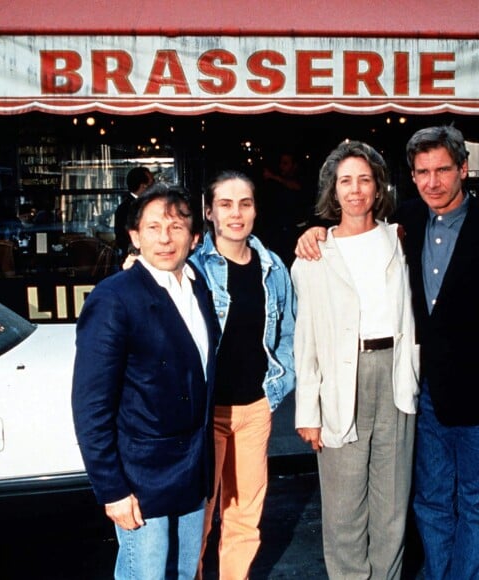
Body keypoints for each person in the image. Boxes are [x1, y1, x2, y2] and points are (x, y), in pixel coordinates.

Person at [295, 125, 479, 579]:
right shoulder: (405, 227)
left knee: (474, 503)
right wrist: (313, 233)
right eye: (422, 172)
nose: (433, 181)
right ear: (411, 178)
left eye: (443, 170)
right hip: (420, 391)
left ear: (464, 170)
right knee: (428, 502)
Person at [72, 184, 219, 579]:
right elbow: (91, 406)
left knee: (187, 572)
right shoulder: (113, 298)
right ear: (135, 237)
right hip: (140, 479)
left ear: (195, 234)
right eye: (153, 228)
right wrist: (112, 489)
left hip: (192, 473)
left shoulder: (197, 285)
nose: (165, 238)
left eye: (175, 226)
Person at [291, 140, 420, 579]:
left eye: (365, 179)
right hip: (341, 384)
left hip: (396, 379)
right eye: (346, 180)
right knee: (344, 512)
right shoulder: (314, 255)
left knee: (392, 509)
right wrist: (308, 411)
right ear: (334, 189)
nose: (356, 189)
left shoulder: (400, 239)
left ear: (378, 186)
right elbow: (304, 339)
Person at [191, 170, 296, 579]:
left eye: (245, 204)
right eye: (226, 204)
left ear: (255, 210)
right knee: (197, 518)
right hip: (205, 414)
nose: (236, 214)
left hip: (254, 410)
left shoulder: (272, 267)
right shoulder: (192, 267)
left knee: (243, 518)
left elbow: (289, 331)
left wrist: (276, 390)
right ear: (209, 212)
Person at [260, 151, 311, 267]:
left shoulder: (303, 179)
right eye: (281, 163)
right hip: (282, 236)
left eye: (286, 163)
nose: (281, 166)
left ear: (295, 166)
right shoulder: (275, 185)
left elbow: (296, 187)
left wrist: (273, 177)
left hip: (299, 234)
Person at [114, 166, 154, 260]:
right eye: (152, 183)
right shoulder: (125, 209)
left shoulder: (148, 203)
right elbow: (122, 239)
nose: (154, 187)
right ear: (143, 186)